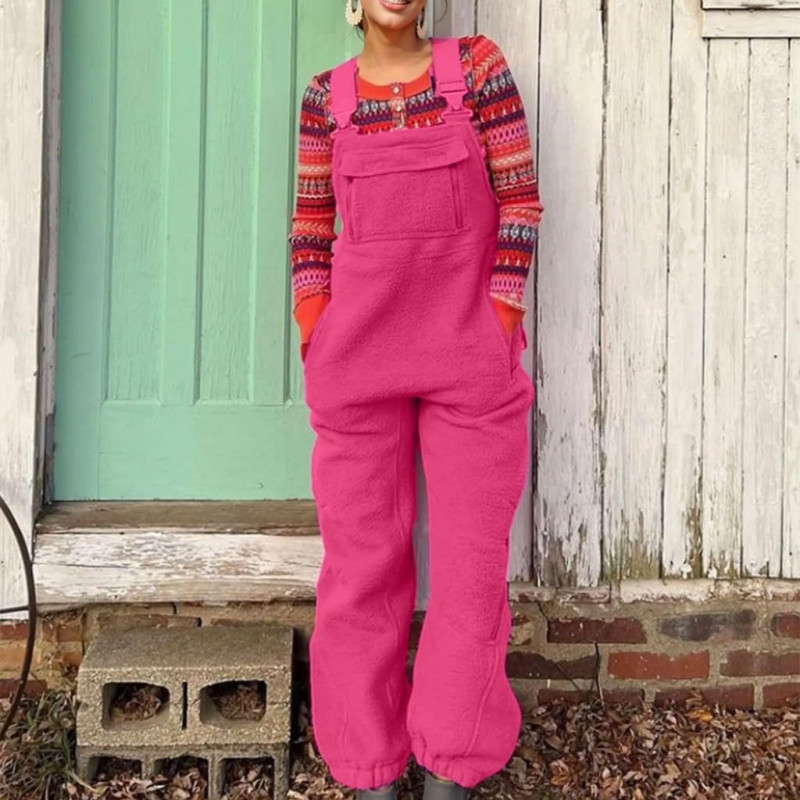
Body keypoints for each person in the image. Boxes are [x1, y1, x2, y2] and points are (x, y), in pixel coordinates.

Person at [287, 1, 544, 798]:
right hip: (356, 365)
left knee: (471, 571)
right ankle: (367, 766)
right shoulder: (326, 98)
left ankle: (450, 764)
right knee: (360, 572)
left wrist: (500, 316)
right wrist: (315, 329)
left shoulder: (478, 70)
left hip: (470, 358)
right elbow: (310, 227)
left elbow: (520, 202)